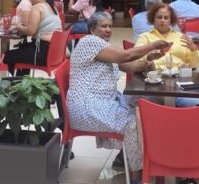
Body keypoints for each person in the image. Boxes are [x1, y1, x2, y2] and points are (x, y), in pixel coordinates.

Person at [67, 11, 169, 183]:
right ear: (92, 29)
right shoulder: (89, 42)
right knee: (133, 122)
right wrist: (152, 45)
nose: (108, 30)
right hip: (86, 106)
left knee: (144, 106)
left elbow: (129, 66)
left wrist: (148, 61)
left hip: (105, 101)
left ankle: (137, 158)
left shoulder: (104, 47)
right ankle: (136, 174)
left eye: (110, 26)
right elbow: (126, 55)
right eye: (104, 26)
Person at [3, 0, 62, 76]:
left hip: (42, 52)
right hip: (55, 53)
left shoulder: (37, 7)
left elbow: (31, 31)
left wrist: (18, 26)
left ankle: (14, 81)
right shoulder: (53, 8)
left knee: (8, 56)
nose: (30, 0)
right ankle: (20, 81)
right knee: (23, 48)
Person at [135, 3, 199, 71]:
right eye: (159, 17)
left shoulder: (182, 37)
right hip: (154, 73)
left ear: (171, 21)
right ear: (153, 19)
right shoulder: (144, 37)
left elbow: (194, 64)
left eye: (166, 18)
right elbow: (135, 59)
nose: (162, 20)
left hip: (178, 74)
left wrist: (193, 49)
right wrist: (148, 57)